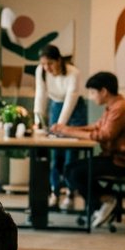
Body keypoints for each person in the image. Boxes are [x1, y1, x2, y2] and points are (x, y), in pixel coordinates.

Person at [51, 71, 125, 227]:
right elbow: (96, 127)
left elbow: (104, 135)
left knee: (74, 172)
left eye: (93, 92)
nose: (92, 96)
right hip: (114, 157)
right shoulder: (113, 106)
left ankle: (105, 200)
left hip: (122, 161)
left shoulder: (120, 108)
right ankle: (102, 202)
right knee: (70, 169)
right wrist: (66, 129)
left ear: (104, 91)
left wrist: (68, 131)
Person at [33, 45, 86, 210]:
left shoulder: (73, 73)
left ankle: (70, 194)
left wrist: (60, 126)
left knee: (71, 156)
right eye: (44, 64)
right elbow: (40, 95)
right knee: (56, 155)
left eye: (50, 63)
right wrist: (38, 120)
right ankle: (55, 192)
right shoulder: (41, 71)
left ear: (58, 60)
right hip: (56, 106)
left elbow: (71, 100)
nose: (47, 68)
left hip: (75, 110)